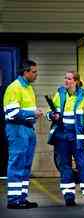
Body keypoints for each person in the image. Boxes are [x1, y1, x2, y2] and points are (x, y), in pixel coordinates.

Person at [47, 71, 84, 207]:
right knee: (65, 166)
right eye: (65, 78)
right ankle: (68, 197)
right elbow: (50, 113)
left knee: (83, 166)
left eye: (69, 79)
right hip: (62, 137)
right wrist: (52, 115)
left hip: (77, 138)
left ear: (76, 81)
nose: (66, 81)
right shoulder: (60, 94)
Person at [3, 60, 43, 209]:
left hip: (27, 129)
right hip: (17, 129)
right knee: (17, 163)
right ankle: (14, 200)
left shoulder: (28, 88)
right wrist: (32, 113)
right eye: (34, 72)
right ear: (25, 72)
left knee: (26, 165)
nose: (36, 74)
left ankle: (22, 198)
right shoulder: (14, 88)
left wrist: (34, 115)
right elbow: (12, 113)